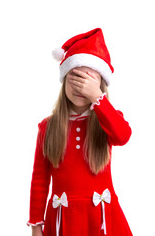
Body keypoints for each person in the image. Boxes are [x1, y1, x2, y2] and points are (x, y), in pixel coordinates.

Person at [27, 28, 133, 236]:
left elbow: (123, 136)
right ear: (64, 80)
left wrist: (97, 98)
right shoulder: (48, 127)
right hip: (63, 220)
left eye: (88, 81)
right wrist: (36, 226)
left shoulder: (108, 119)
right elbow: (39, 179)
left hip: (101, 218)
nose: (80, 88)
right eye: (74, 79)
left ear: (100, 85)